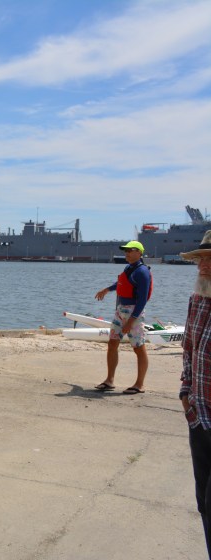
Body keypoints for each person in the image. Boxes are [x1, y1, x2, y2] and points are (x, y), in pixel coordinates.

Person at [179, 230, 211, 556]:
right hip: (198, 418)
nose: (202, 264)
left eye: (210, 259)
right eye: (200, 258)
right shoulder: (197, 300)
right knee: (203, 503)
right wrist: (185, 393)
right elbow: (188, 351)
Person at [93, 240, 151, 394]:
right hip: (120, 311)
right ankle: (109, 380)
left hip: (134, 313)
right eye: (125, 251)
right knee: (112, 343)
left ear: (139, 253)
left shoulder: (143, 272)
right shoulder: (128, 268)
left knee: (139, 347)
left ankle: (139, 384)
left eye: (130, 250)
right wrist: (107, 289)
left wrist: (131, 321)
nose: (127, 253)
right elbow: (121, 283)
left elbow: (142, 300)